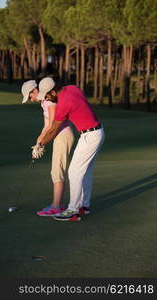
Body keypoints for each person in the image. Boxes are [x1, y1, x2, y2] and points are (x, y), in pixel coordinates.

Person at [34, 78, 105, 222]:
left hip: (90, 136)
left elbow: (53, 130)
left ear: (54, 92)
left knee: (74, 171)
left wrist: (40, 145)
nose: (46, 99)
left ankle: (73, 210)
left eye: (47, 96)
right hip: (97, 132)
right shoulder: (72, 88)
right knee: (85, 171)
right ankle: (84, 206)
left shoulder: (64, 104)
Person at [21, 79, 74, 216]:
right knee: (56, 171)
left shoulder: (49, 101)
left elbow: (52, 126)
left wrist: (42, 144)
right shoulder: (44, 102)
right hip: (58, 135)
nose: (30, 99)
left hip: (63, 135)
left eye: (30, 96)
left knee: (57, 170)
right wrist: (38, 143)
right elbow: (46, 127)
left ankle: (56, 207)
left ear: (34, 90)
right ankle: (56, 205)